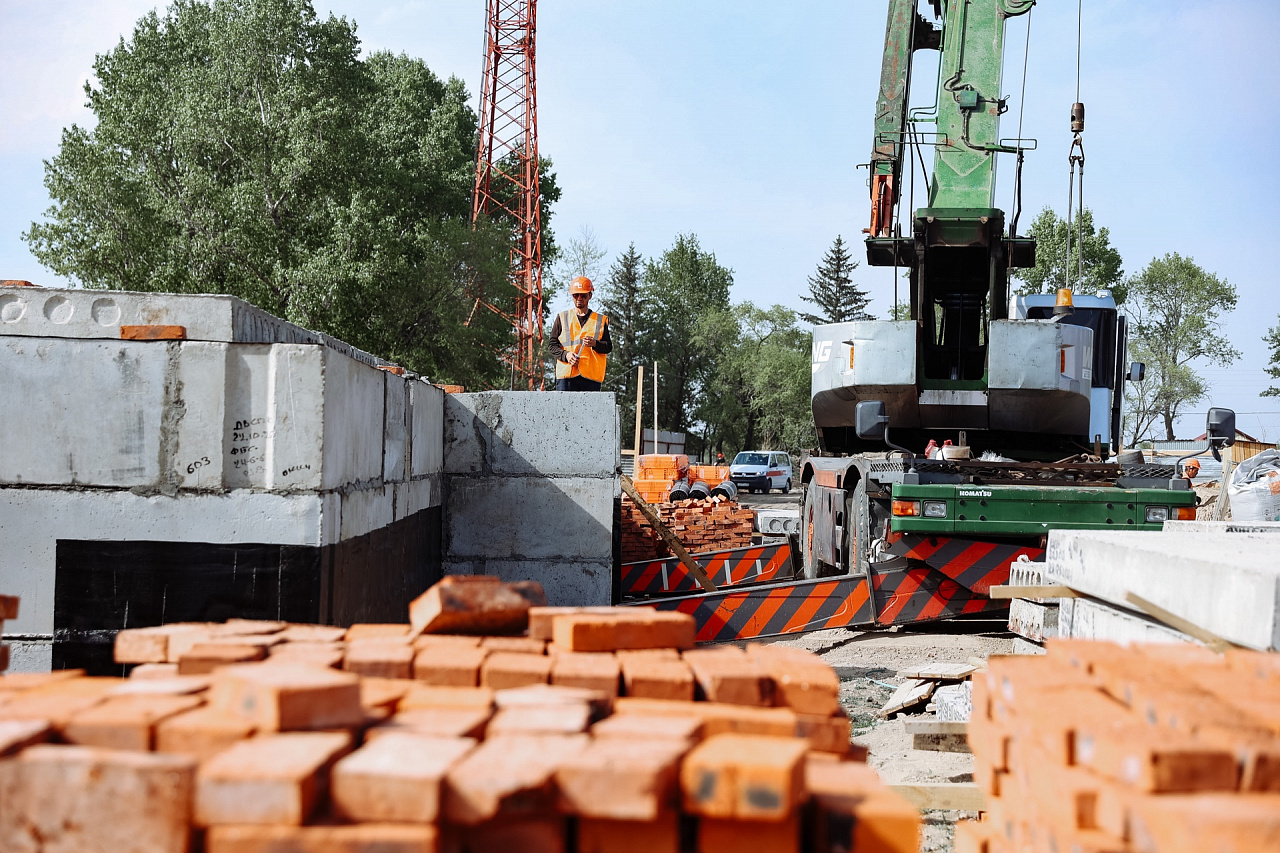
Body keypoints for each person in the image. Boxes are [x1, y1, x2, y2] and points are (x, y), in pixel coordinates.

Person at [549, 276, 612, 391]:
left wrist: (595, 344)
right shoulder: (562, 318)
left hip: (591, 377)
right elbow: (552, 346)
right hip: (567, 376)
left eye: (583, 295)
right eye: (575, 295)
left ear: (590, 296)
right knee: (564, 409)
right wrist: (566, 355)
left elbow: (608, 347)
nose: (579, 298)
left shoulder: (600, 320)